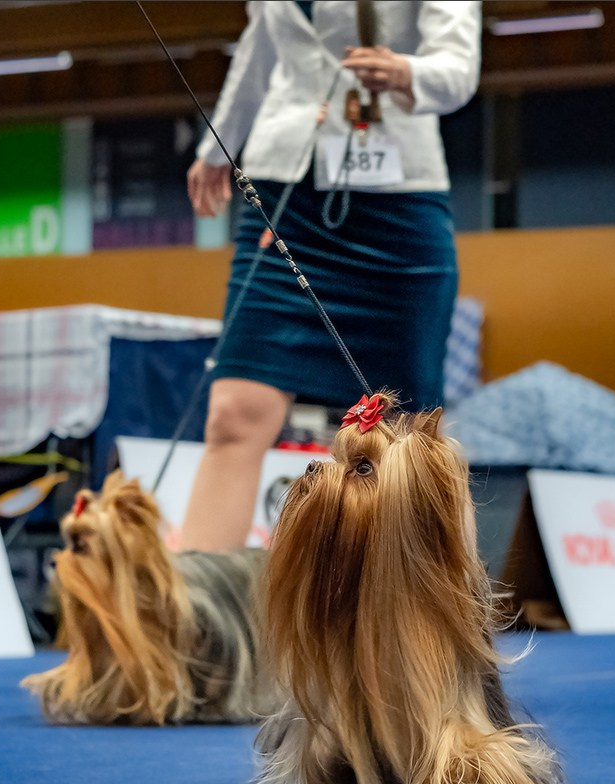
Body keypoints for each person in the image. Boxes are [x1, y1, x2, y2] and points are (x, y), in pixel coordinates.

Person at [180, 0, 482, 551]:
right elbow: (258, 49)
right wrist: (217, 145)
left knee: (413, 436)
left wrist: (406, 72)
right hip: (283, 191)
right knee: (234, 415)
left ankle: (443, 601)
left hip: (397, 204)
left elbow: (459, 68)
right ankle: (202, 602)